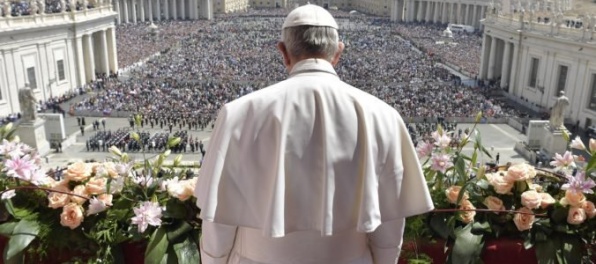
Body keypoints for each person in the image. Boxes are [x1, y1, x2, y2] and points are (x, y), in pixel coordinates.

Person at [194, 5, 433, 264]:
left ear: (283, 52)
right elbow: (389, 220)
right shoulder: (383, 116)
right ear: (338, 52)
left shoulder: (238, 114)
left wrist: (213, 261)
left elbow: (218, 218)